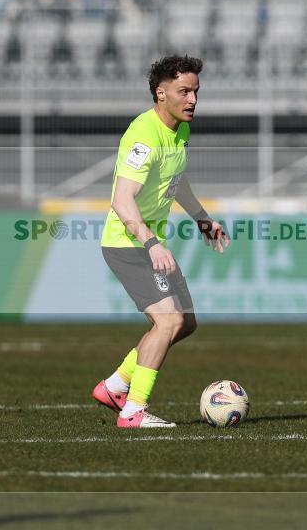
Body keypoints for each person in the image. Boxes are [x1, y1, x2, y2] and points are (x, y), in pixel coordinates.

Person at [93, 55, 229, 429]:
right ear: (161, 92)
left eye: (196, 92)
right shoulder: (143, 135)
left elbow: (176, 178)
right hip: (129, 242)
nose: (193, 100)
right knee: (167, 321)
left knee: (185, 323)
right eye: (184, 91)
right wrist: (152, 243)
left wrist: (201, 218)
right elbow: (121, 201)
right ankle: (133, 411)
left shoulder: (179, 131)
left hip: (147, 242)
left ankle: (116, 385)